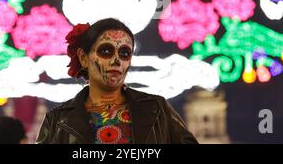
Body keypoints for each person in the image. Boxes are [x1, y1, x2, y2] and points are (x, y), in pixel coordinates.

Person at [37, 18, 198, 144]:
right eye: (106, 51)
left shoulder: (157, 109)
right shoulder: (57, 120)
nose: (117, 61)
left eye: (124, 53)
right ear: (83, 58)